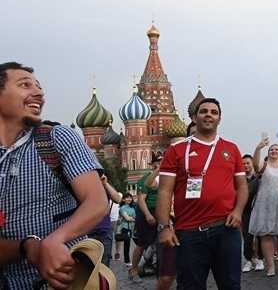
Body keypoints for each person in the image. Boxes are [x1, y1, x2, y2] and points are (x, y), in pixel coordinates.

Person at [0, 62, 107, 289]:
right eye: (25, 85)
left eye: (39, 87)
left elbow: (97, 202)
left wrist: (55, 240)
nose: (38, 92)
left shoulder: (55, 139)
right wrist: (28, 247)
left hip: (64, 281)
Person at [157, 97, 248, 290]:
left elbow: (242, 186)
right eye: (204, 111)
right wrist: (164, 226)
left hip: (226, 229)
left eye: (214, 112)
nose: (209, 115)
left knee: (231, 285)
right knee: (191, 286)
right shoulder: (176, 150)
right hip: (189, 232)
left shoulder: (231, 149)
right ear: (194, 117)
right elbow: (165, 191)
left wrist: (238, 211)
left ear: (219, 119)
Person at [249, 137, 278, 277]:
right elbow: (255, 166)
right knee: (266, 235)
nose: (274, 151)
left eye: (277, 149)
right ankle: (270, 266)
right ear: (268, 152)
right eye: (271, 149)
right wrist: (258, 148)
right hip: (265, 204)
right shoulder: (264, 166)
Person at [129, 152, 162, 282]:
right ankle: (134, 270)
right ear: (153, 164)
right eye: (158, 162)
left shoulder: (166, 178)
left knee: (160, 242)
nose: (161, 164)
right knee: (142, 243)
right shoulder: (146, 179)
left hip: (160, 212)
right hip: (146, 212)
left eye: (163, 161)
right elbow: (141, 200)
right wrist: (148, 215)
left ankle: (157, 267)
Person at [241, 154, 264, 273]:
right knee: (247, 236)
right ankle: (249, 260)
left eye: (247, 163)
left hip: (258, 210)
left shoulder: (259, 178)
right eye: (243, 163)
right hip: (245, 211)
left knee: (260, 235)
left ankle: (260, 259)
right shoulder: (239, 179)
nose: (245, 166)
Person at [117, 193, 136, 266]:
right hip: (124, 228)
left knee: (129, 244)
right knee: (127, 244)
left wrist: (131, 218)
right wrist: (132, 218)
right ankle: (127, 261)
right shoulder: (122, 208)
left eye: (130, 198)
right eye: (127, 198)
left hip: (131, 228)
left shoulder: (132, 208)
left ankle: (128, 260)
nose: (129, 199)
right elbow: (127, 218)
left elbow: (134, 217)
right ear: (123, 199)